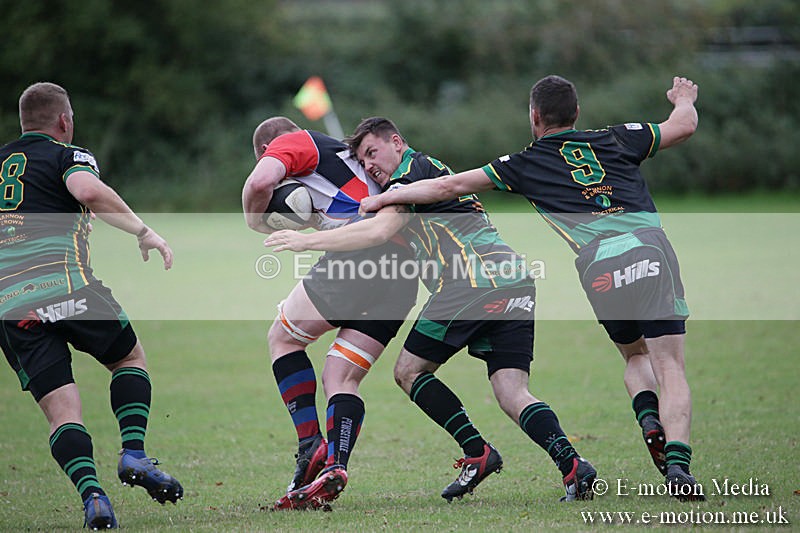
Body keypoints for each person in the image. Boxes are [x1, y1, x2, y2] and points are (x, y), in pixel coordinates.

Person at [360, 76, 705, 501]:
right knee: (667, 366)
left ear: (534, 116)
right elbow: (682, 126)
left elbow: (449, 186)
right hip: (648, 253)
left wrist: (377, 200)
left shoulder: (522, 163)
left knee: (634, 356)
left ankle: (635, 427)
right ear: (576, 113)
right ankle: (677, 464)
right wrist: (684, 98)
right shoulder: (617, 138)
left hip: (598, 267)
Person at [265, 117, 597, 502]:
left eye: (373, 152)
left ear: (397, 142)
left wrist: (308, 242)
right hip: (514, 278)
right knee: (511, 390)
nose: (371, 165)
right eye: (363, 160)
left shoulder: (410, 171)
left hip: (471, 281)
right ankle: (573, 466)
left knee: (408, 371)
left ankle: (478, 452)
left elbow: (376, 232)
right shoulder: (418, 177)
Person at [0, 82, 183, 530]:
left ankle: (94, 497)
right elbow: (87, 191)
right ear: (64, 121)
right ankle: (134, 454)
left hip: (11, 304)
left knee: (62, 413)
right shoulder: (68, 155)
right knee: (129, 358)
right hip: (67, 287)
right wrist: (143, 231)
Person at [242, 117, 417, 510]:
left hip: (360, 258)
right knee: (340, 375)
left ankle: (310, 446)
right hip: (404, 276)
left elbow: (257, 185)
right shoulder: (344, 157)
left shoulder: (294, 142)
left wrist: (254, 219)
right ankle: (334, 466)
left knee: (282, 338)